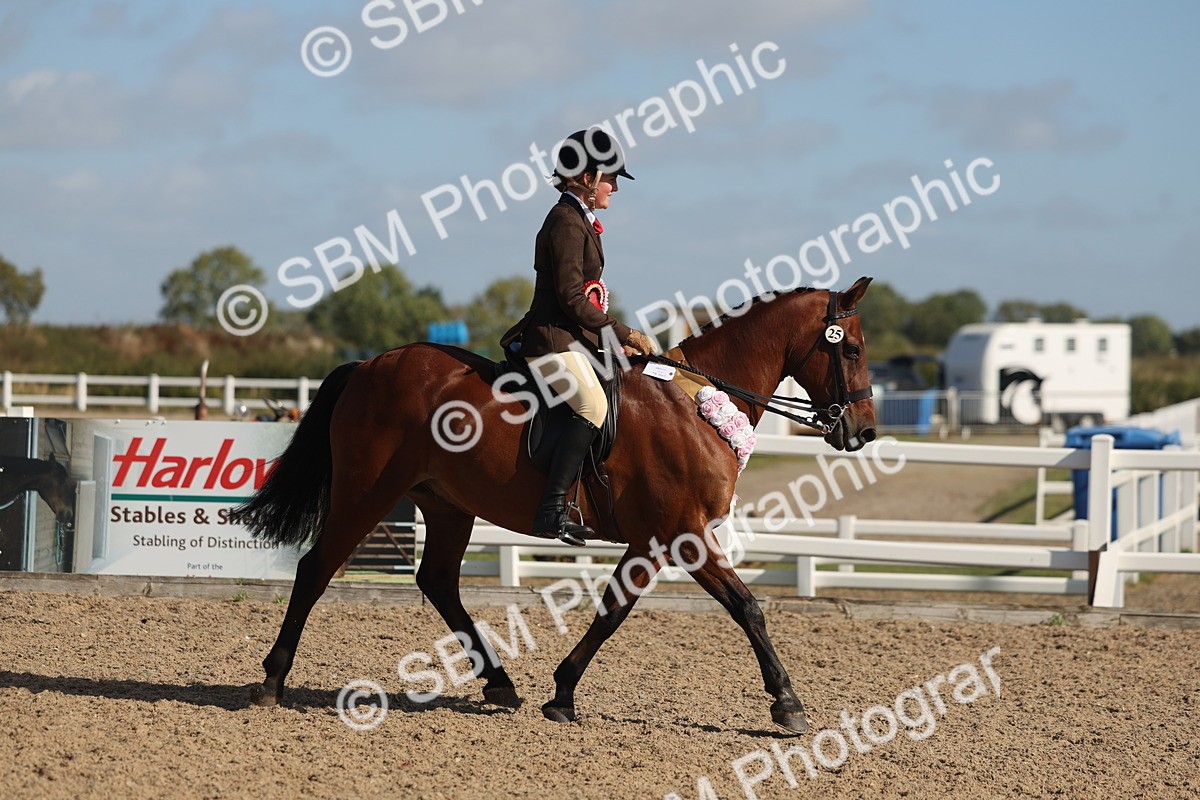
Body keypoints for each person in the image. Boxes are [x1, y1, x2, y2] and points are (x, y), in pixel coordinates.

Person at [500, 128, 656, 547]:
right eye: (611, 179)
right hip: (551, 342)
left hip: (572, 340)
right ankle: (551, 510)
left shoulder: (579, 220)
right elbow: (571, 297)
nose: (615, 188)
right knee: (592, 405)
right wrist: (624, 331)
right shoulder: (565, 222)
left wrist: (612, 342)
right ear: (587, 178)